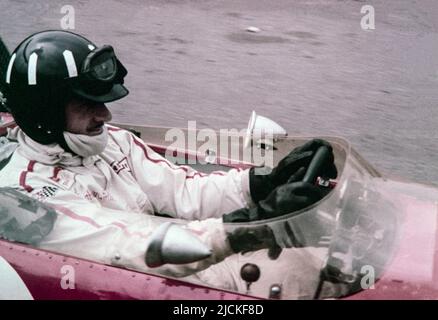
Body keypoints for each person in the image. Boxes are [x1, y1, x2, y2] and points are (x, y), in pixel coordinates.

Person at [0, 30, 337, 287]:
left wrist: (262, 183)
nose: (105, 114)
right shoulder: (24, 196)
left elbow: (183, 189)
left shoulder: (112, 141)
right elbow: (124, 246)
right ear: (44, 111)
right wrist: (246, 228)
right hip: (142, 280)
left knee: (322, 261)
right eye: (86, 104)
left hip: (188, 263)